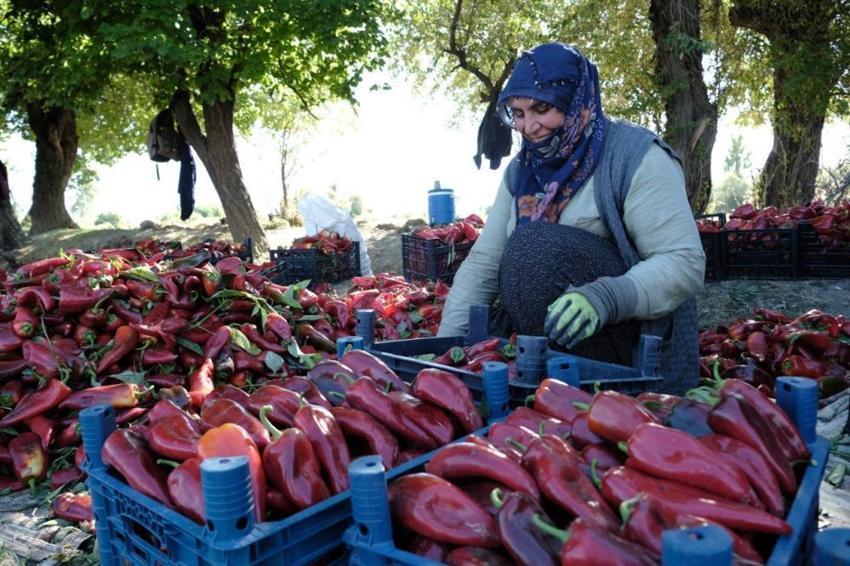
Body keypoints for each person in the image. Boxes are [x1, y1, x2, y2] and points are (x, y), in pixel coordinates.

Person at [437, 43, 705, 393]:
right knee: (524, 250)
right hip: (549, 340)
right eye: (517, 113)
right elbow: (484, 264)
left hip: (627, 338)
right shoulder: (522, 170)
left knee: (532, 248)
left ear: (576, 100)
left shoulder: (636, 156)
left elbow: (683, 262)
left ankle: (598, 386)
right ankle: (550, 384)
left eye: (541, 108)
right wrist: (444, 356)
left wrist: (606, 297)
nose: (528, 126)